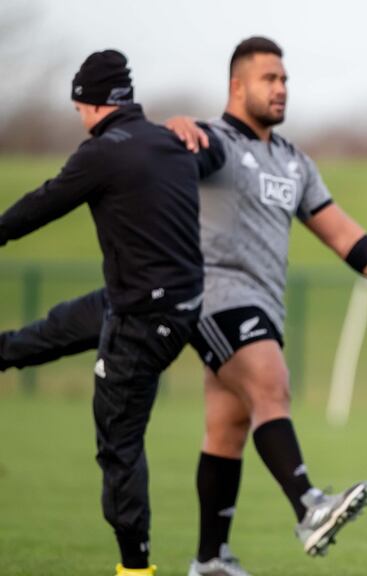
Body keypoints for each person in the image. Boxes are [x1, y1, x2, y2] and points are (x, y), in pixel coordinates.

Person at [0, 50, 224, 576]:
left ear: (91, 103)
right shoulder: (168, 140)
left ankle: (135, 569)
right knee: (56, 327)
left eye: (79, 105)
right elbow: (212, 158)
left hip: (145, 321)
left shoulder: (100, 153)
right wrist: (199, 131)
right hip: (155, 302)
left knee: (118, 441)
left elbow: (42, 203)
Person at [163, 36, 367, 574]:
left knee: (227, 428)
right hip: (214, 297)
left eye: (284, 79)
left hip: (262, 304)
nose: (281, 88)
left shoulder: (293, 162)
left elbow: (344, 236)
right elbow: (160, 153)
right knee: (270, 381)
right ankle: (309, 506)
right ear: (237, 86)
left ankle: (210, 558)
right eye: (268, 79)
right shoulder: (210, 142)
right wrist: (170, 131)